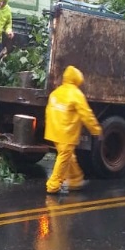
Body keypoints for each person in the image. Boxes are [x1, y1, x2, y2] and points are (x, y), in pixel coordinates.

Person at [44, 66, 102, 195]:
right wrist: (96, 130)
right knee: (64, 158)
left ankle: (76, 180)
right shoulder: (76, 94)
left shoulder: (56, 93)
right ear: (77, 79)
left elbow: (48, 111)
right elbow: (86, 114)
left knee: (68, 156)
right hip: (66, 133)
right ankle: (53, 185)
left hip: (54, 131)